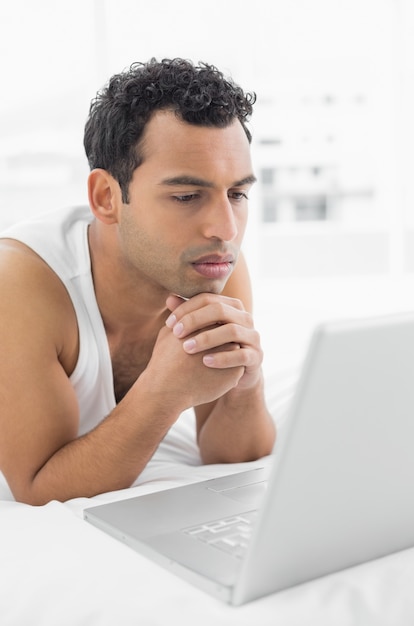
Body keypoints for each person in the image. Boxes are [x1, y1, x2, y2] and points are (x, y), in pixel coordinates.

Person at [0, 58, 276, 505]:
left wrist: (246, 384)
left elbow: (234, 454)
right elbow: (37, 488)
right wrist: (163, 393)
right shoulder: (20, 285)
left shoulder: (212, 262)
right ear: (106, 198)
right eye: (187, 196)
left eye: (237, 194)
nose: (225, 228)